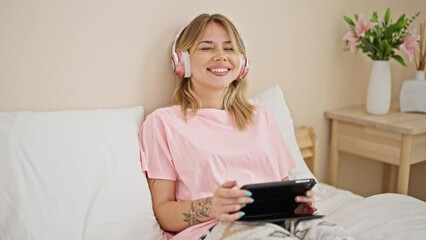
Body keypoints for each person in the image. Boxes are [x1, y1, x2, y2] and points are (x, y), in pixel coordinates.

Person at [139, 13, 352, 240]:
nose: (220, 56)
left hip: (282, 221)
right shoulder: (163, 123)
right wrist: (212, 206)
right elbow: (163, 212)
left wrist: (296, 204)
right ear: (183, 61)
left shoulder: (261, 118)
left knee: (332, 234)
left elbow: (283, 187)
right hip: (217, 229)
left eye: (229, 49)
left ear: (242, 63)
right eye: (207, 48)